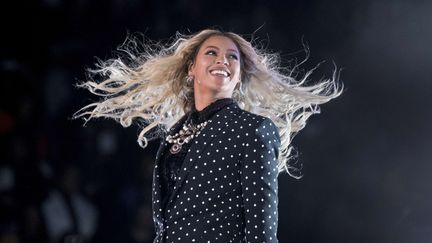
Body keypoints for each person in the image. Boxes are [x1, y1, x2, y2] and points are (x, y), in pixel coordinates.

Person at [74, 28, 342, 243]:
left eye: (232, 56)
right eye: (211, 52)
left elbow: (262, 229)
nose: (222, 60)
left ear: (239, 77)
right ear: (191, 69)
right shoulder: (175, 135)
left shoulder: (253, 129)